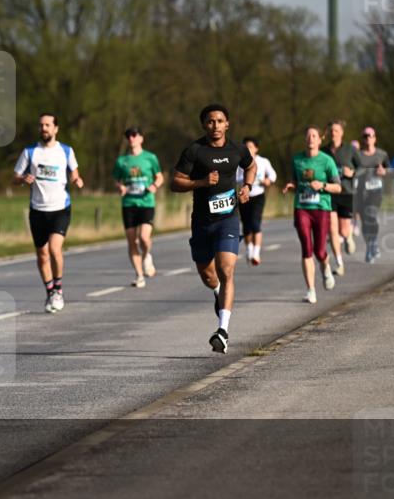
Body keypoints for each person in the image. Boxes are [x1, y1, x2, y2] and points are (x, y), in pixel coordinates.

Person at [171, 104, 255, 354]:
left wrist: (248, 186)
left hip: (228, 219)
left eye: (220, 121)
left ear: (227, 124)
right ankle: (218, 293)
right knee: (209, 276)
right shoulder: (195, 151)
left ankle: (223, 331)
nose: (215, 125)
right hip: (202, 222)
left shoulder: (238, 149)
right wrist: (201, 182)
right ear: (204, 125)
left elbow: (250, 166)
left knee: (226, 269)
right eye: (210, 121)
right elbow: (175, 182)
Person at [13, 113, 84, 313]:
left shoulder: (66, 151)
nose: (44, 128)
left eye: (47, 125)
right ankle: (50, 291)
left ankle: (58, 290)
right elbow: (15, 177)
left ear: (55, 128)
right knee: (42, 255)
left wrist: (77, 180)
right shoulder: (30, 152)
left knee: (54, 249)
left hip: (60, 208)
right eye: (41, 125)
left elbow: (75, 172)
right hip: (37, 209)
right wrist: (22, 180)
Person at [281, 126, 341, 303]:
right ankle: (311, 290)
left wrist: (322, 186)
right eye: (308, 136)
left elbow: (338, 187)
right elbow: (294, 180)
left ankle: (325, 266)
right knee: (306, 248)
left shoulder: (327, 160)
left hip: (321, 208)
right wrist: (291, 185)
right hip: (302, 207)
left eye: (314, 136)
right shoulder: (297, 159)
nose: (311, 139)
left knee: (319, 250)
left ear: (320, 140)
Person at [113, 127, 163, 287]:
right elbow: (117, 179)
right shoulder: (122, 161)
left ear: (141, 138)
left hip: (146, 202)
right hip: (129, 204)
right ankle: (139, 275)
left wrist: (154, 186)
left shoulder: (150, 158)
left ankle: (147, 255)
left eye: (134, 135)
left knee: (143, 238)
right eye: (128, 136)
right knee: (131, 241)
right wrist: (120, 187)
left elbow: (160, 177)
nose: (131, 138)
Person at [323, 120, 358, 273]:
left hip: (346, 192)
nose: (333, 133)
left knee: (343, 231)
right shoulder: (323, 151)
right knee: (332, 229)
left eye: (336, 130)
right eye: (331, 130)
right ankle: (339, 263)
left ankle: (348, 236)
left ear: (341, 133)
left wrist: (353, 173)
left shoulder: (350, 150)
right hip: (329, 193)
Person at [235, 137, 276, 266]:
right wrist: (246, 180)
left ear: (256, 148)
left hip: (258, 195)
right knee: (246, 225)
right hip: (244, 196)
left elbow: (273, 175)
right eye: (246, 147)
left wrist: (267, 181)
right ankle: (249, 250)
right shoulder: (240, 162)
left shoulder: (263, 161)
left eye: (251, 147)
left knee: (255, 222)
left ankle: (256, 253)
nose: (248, 150)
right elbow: (235, 178)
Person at [353, 127, 390, 263]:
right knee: (364, 222)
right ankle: (370, 246)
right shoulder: (357, 156)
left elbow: (389, 171)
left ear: (375, 138)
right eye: (365, 136)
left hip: (375, 191)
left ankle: (373, 242)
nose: (368, 138)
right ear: (362, 139)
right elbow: (351, 172)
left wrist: (384, 172)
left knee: (372, 215)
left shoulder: (382, 154)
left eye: (370, 135)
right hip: (361, 193)